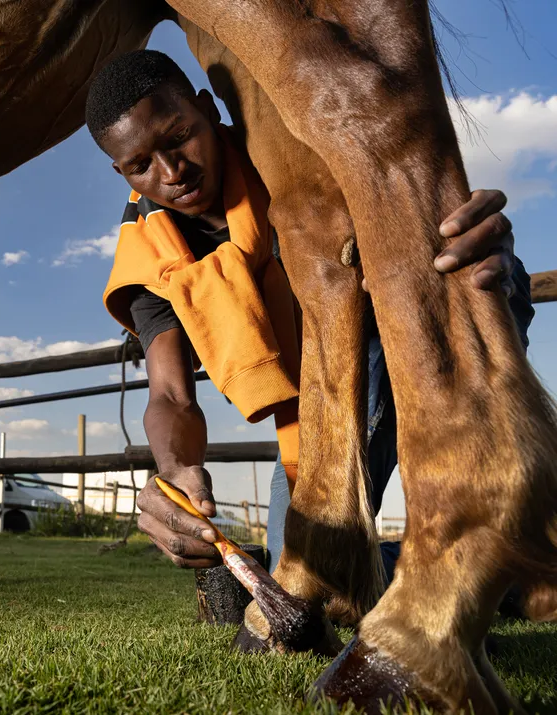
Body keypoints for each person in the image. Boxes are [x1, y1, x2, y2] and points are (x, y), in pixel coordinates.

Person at [84, 50, 534, 577]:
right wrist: (175, 469)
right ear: (122, 172)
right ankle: (491, 571)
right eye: (141, 166)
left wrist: (464, 234)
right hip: (317, 396)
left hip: (396, 322)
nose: (171, 172)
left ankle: (485, 545)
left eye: (178, 136)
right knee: (299, 567)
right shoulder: (148, 254)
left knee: (324, 564)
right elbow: (170, 395)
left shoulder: (294, 157)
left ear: (207, 109)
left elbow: (419, 216)